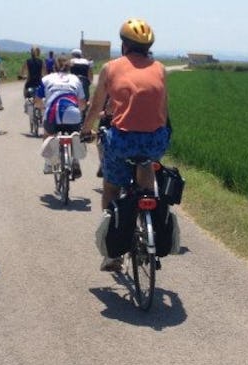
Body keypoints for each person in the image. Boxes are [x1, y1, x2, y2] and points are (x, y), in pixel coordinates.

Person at [82, 18, 169, 271]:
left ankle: (112, 254)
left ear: (124, 46)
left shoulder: (110, 68)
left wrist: (86, 130)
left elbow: (96, 106)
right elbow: (163, 110)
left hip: (123, 141)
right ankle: (148, 212)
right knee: (146, 171)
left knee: (110, 187)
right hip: (155, 141)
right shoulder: (161, 68)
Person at [35, 55, 86, 178]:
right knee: (75, 133)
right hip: (72, 114)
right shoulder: (76, 79)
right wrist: (80, 110)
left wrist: (42, 107)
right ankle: (75, 160)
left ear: (54, 66)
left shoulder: (46, 79)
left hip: (53, 114)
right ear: (69, 67)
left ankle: (48, 163)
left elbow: (37, 101)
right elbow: (82, 103)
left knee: (47, 135)